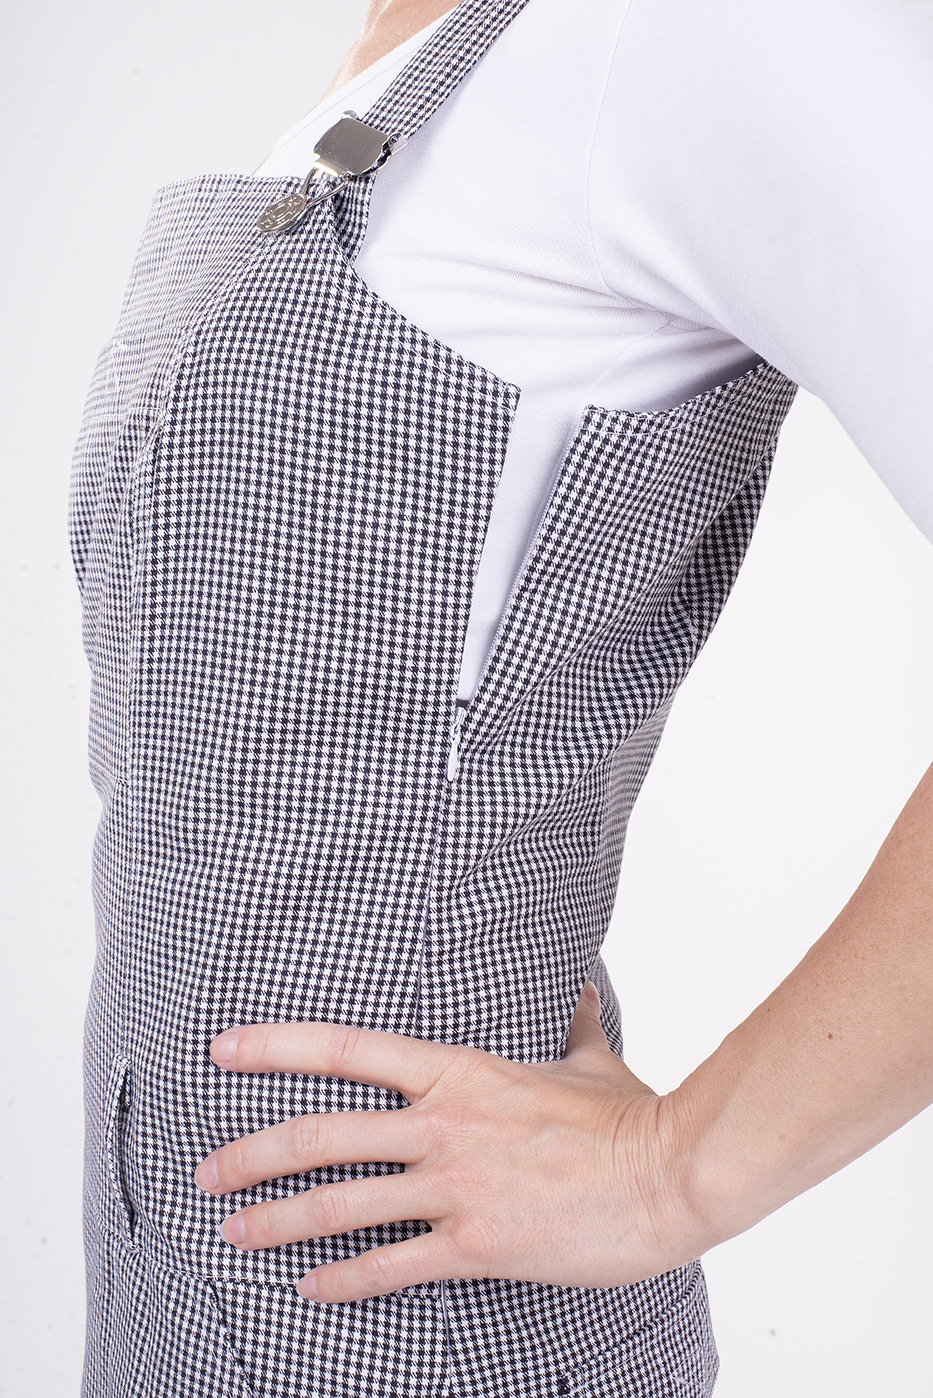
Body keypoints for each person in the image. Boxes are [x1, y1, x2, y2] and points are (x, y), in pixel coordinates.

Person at [70, 0, 933, 1394]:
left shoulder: (693, 34)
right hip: (166, 1282)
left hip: (420, 1317)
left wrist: (671, 1172)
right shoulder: (410, 64)